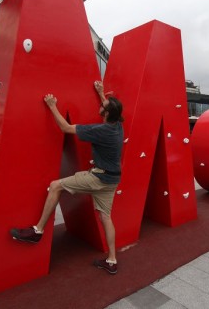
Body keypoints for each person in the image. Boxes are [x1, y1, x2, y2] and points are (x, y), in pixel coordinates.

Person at [10, 81, 124, 275]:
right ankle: (112, 260)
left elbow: (65, 127)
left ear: (105, 114)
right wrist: (101, 93)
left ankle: (37, 231)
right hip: (112, 180)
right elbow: (110, 109)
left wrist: (52, 106)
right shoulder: (118, 126)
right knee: (105, 216)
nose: (100, 106)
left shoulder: (100, 131)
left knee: (56, 186)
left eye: (102, 107)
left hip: (98, 179)